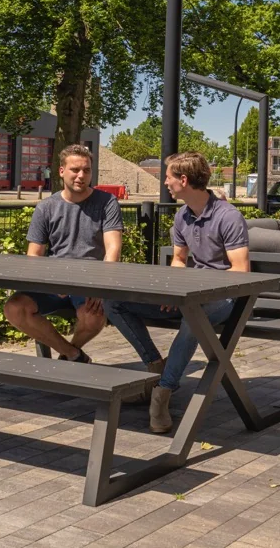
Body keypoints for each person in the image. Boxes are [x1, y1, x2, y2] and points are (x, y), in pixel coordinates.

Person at [106, 152, 249, 434]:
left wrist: (193, 292)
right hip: (189, 295)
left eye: (168, 177)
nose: (165, 182)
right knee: (114, 302)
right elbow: (179, 260)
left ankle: (163, 392)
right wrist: (174, 290)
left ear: (183, 180)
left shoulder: (228, 216)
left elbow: (240, 271)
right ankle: (156, 366)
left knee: (194, 316)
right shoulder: (183, 216)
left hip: (226, 298)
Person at [2, 144, 121, 363]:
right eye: (75, 170)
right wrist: (51, 283)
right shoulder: (46, 207)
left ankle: (68, 356)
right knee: (14, 308)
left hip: (89, 282)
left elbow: (112, 248)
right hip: (54, 281)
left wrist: (102, 285)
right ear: (61, 171)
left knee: (94, 317)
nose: (81, 175)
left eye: (86, 170)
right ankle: (74, 355)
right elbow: (34, 256)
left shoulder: (107, 203)